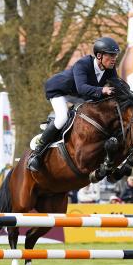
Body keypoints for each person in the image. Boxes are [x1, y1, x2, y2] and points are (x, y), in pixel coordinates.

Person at [27, 37, 121, 172]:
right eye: (111, 55)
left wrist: (129, 94)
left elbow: (117, 84)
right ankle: (37, 153)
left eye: (115, 56)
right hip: (59, 91)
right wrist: (102, 90)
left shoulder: (109, 69)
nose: (114, 59)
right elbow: (82, 87)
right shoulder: (82, 64)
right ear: (99, 56)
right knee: (62, 118)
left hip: (78, 95)